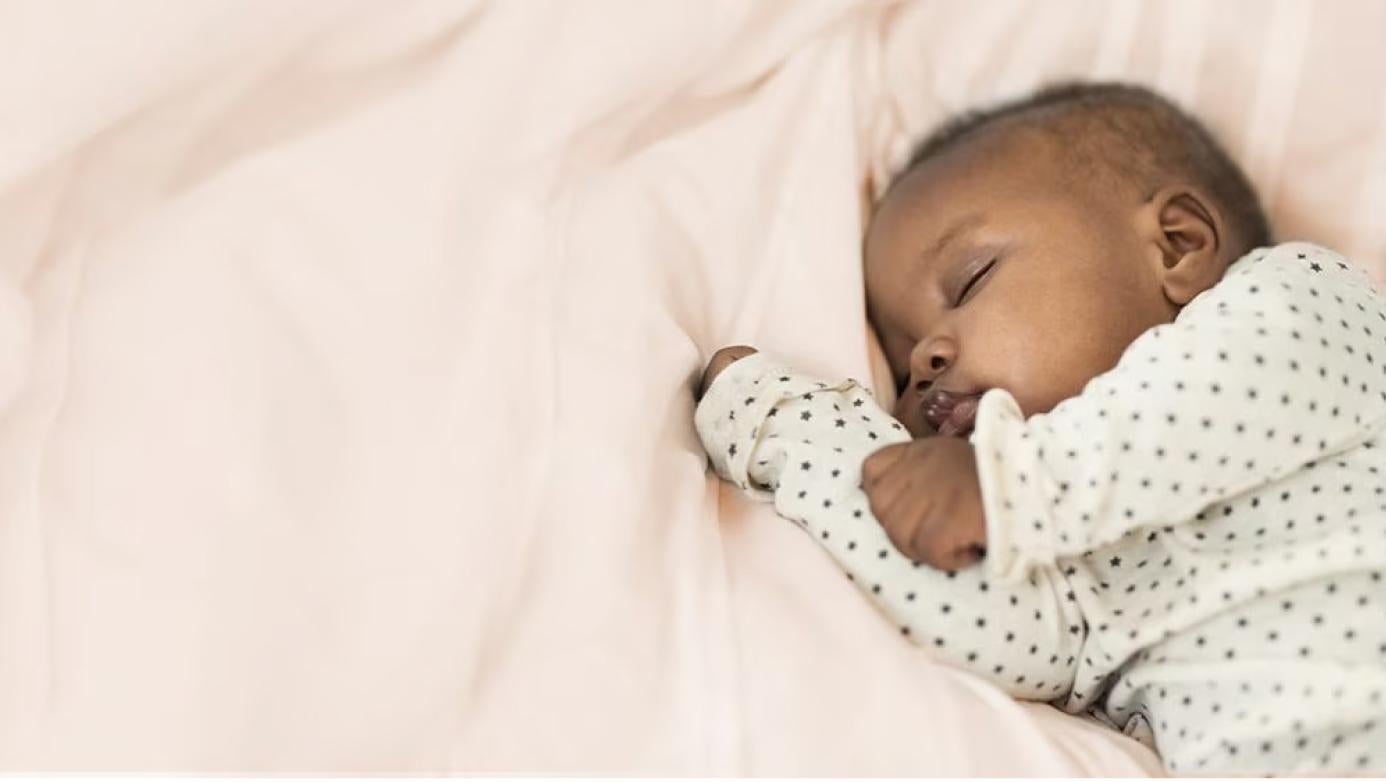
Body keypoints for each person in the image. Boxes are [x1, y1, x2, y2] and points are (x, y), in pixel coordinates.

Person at [693, 82, 1385, 774]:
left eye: (968, 281)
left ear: (1177, 246)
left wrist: (1012, 482)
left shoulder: (1304, 302)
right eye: (903, 373)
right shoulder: (1061, 547)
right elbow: (976, 610)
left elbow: (1208, 398)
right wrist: (784, 423)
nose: (924, 360)